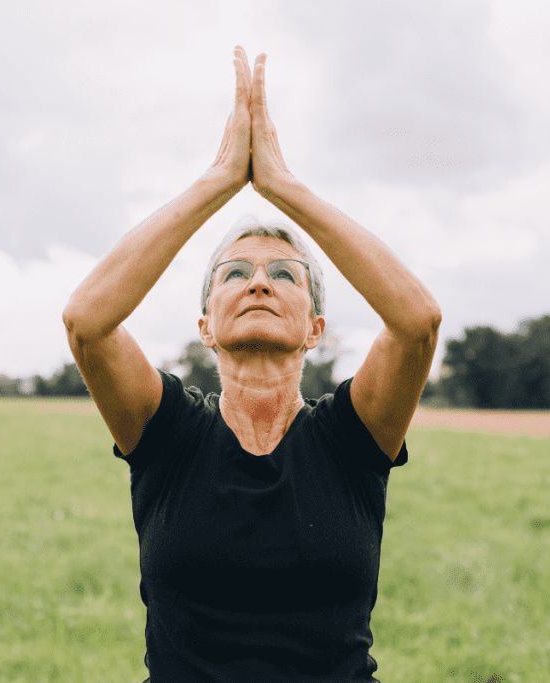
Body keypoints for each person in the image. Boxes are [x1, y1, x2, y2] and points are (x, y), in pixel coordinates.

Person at [63, 46, 441, 683]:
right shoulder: (169, 435)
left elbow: (417, 321)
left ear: (315, 329)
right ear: (206, 326)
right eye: (233, 273)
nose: (258, 283)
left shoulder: (352, 438)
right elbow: (87, 320)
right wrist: (218, 178)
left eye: (285, 275)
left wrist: (284, 189)